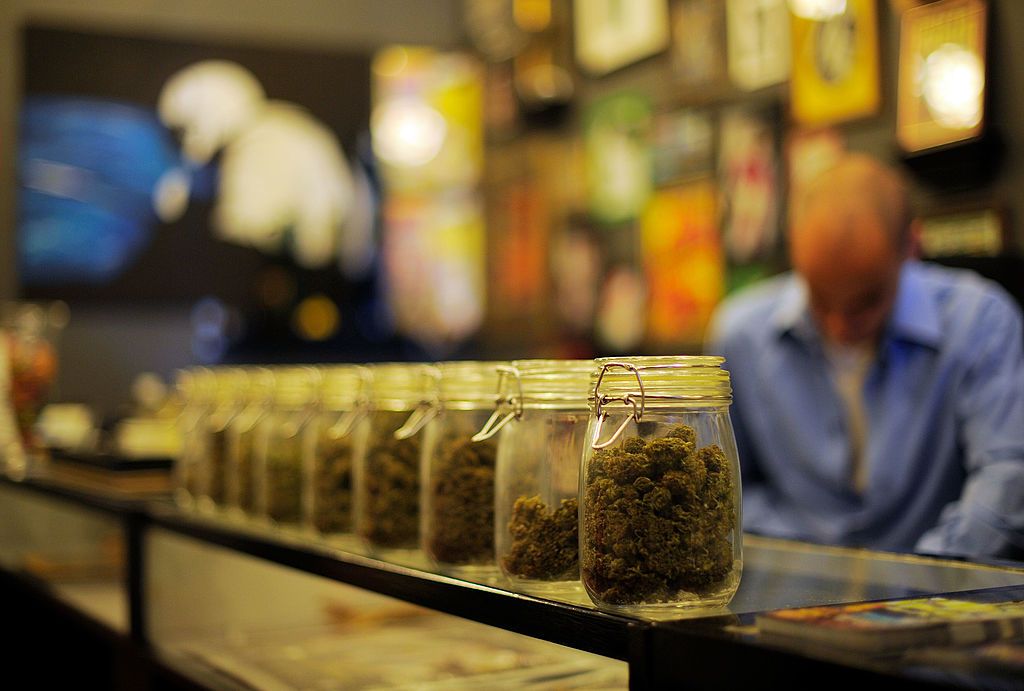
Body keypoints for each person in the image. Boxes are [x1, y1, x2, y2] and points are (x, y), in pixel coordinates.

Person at [707, 153, 1024, 559]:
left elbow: (1007, 477)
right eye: (820, 300)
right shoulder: (741, 336)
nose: (840, 324)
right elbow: (723, 490)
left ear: (911, 247)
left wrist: (926, 577)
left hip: (937, 587)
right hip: (788, 583)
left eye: (867, 301)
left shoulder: (979, 321)